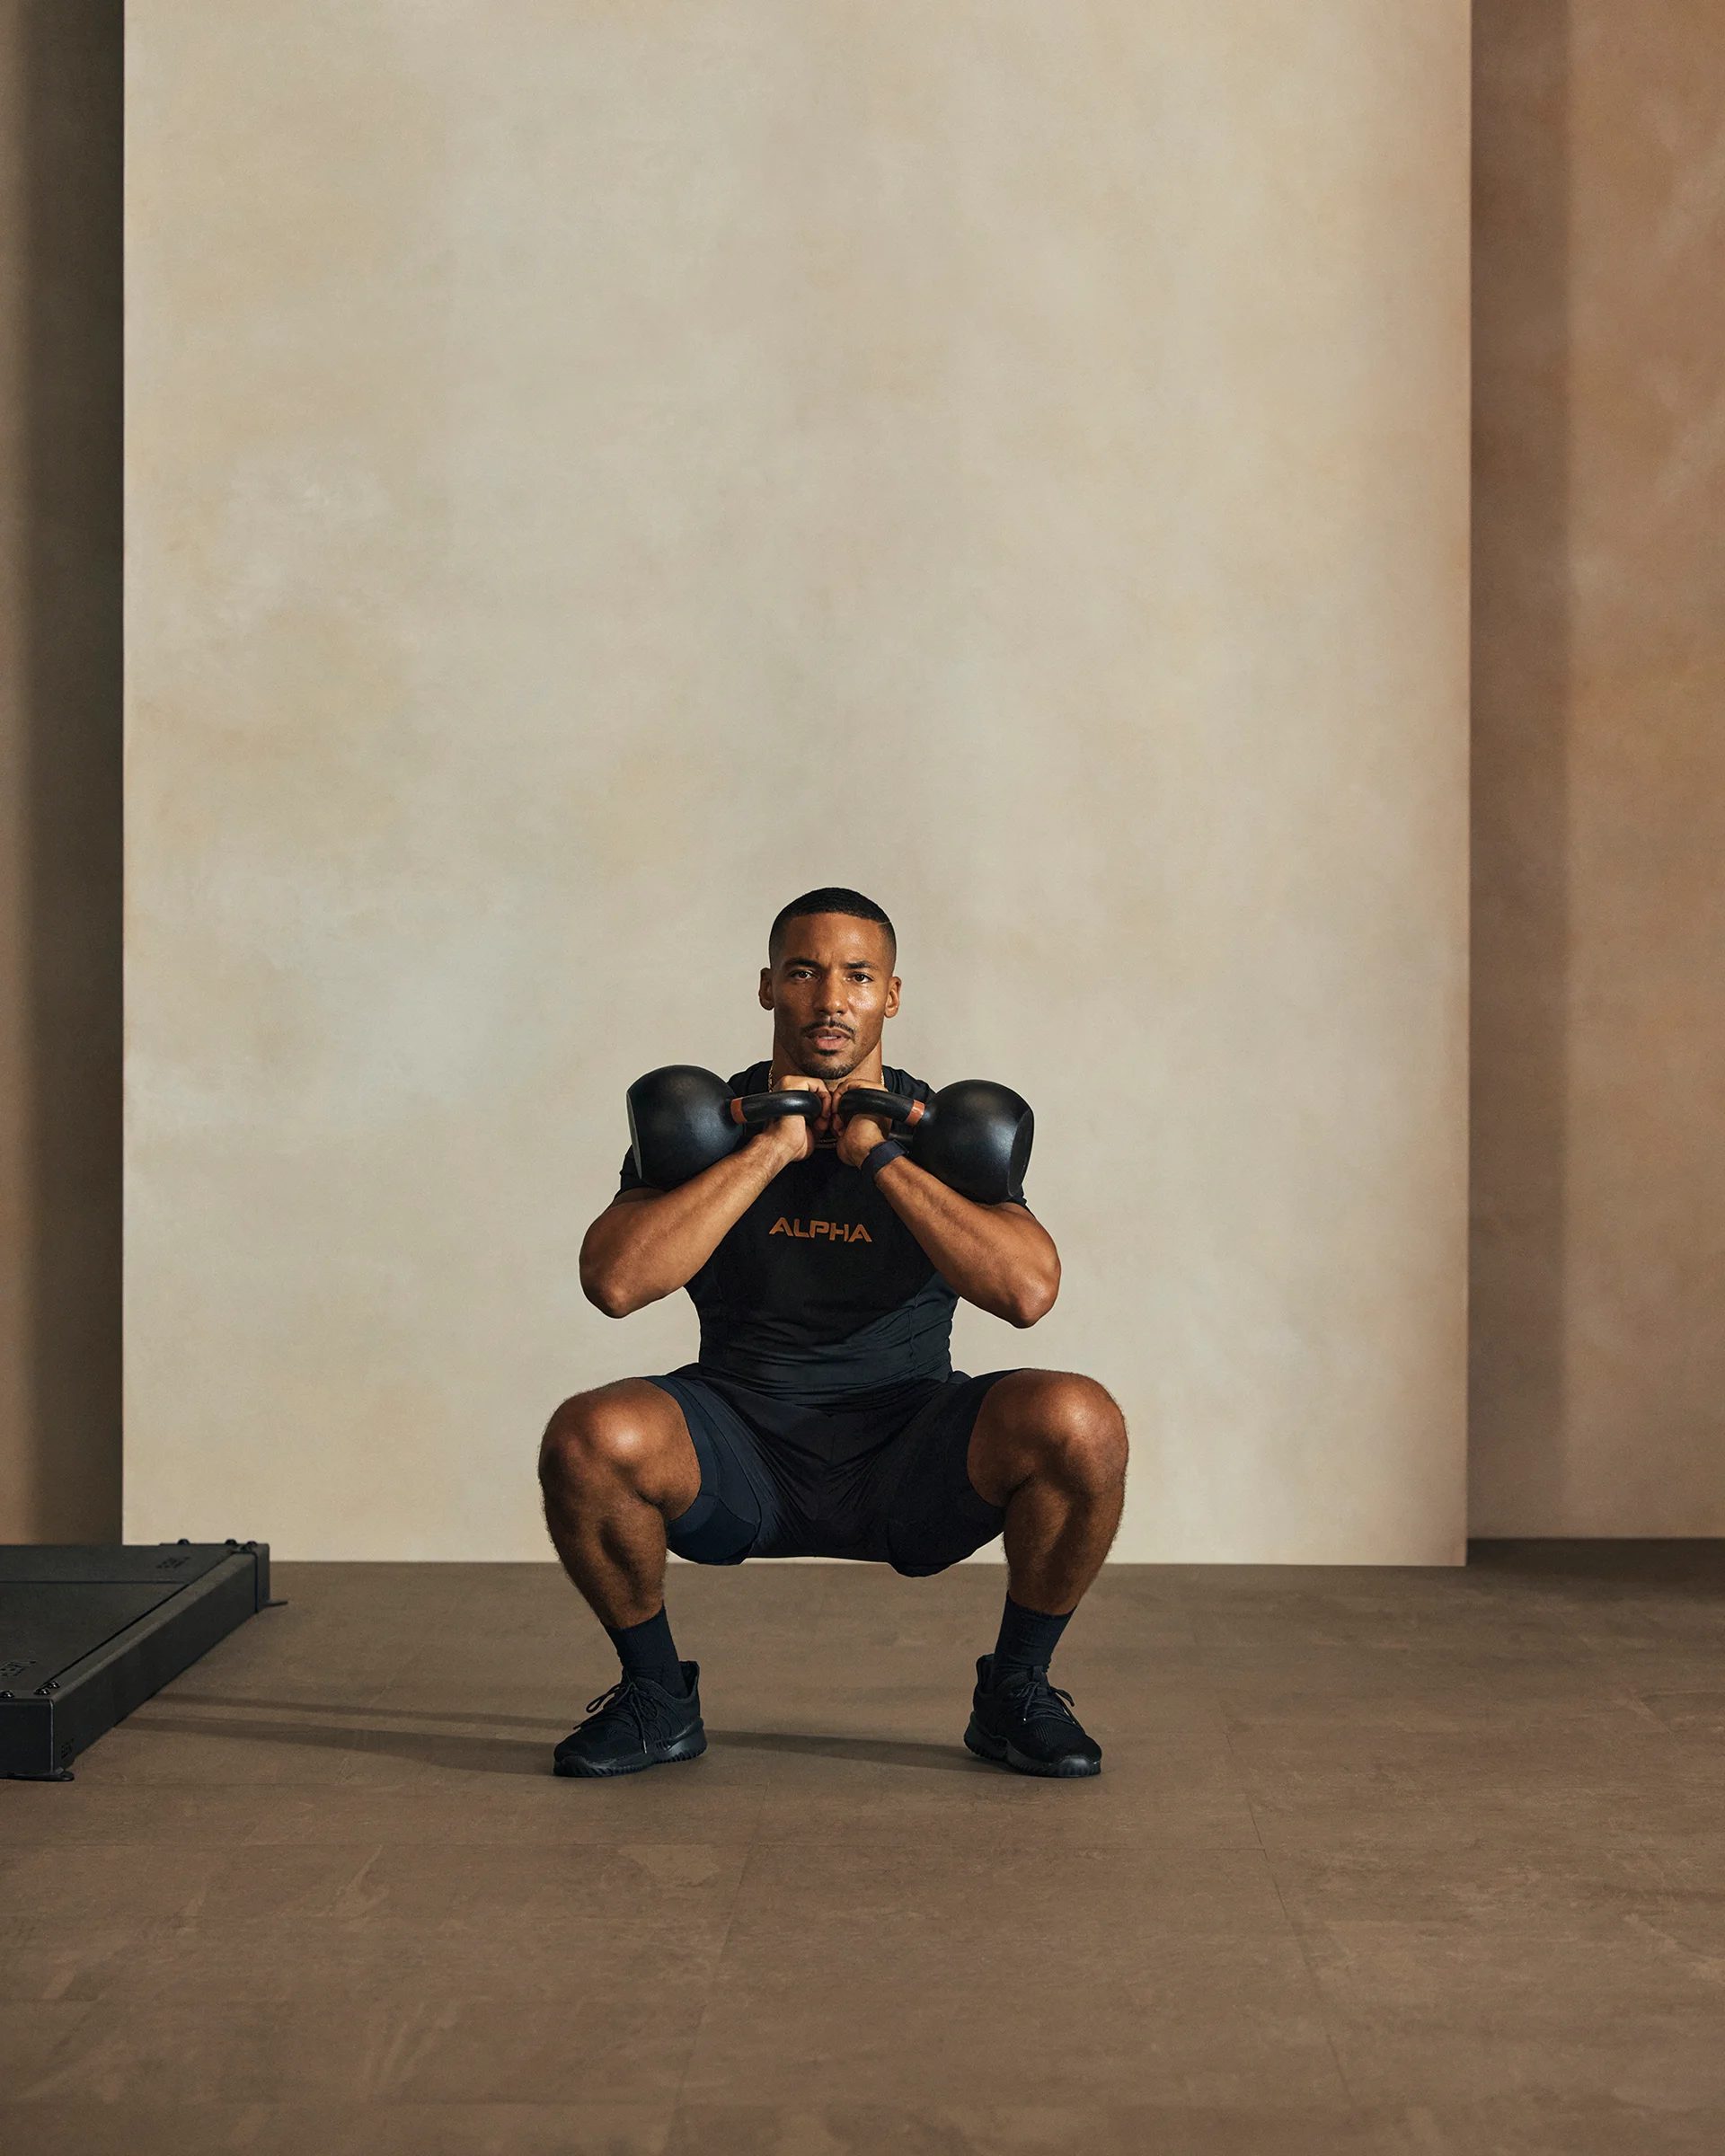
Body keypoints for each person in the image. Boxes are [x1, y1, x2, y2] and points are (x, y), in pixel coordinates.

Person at [539, 886, 1128, 1779]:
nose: (830, 997)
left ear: (891, 996)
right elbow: (617, 1283)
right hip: (738, 1436)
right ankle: (658, 1700)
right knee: (587, 1437)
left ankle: (1015, 1691)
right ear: (769, 987)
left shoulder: (939, 1130)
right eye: (806, 972)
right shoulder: (711, 1125)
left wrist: (880, 1158)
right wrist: (769, 1151)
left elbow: (1027, 1292)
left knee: (1082, 1421)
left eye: (858, 975)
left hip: (908, 1446)